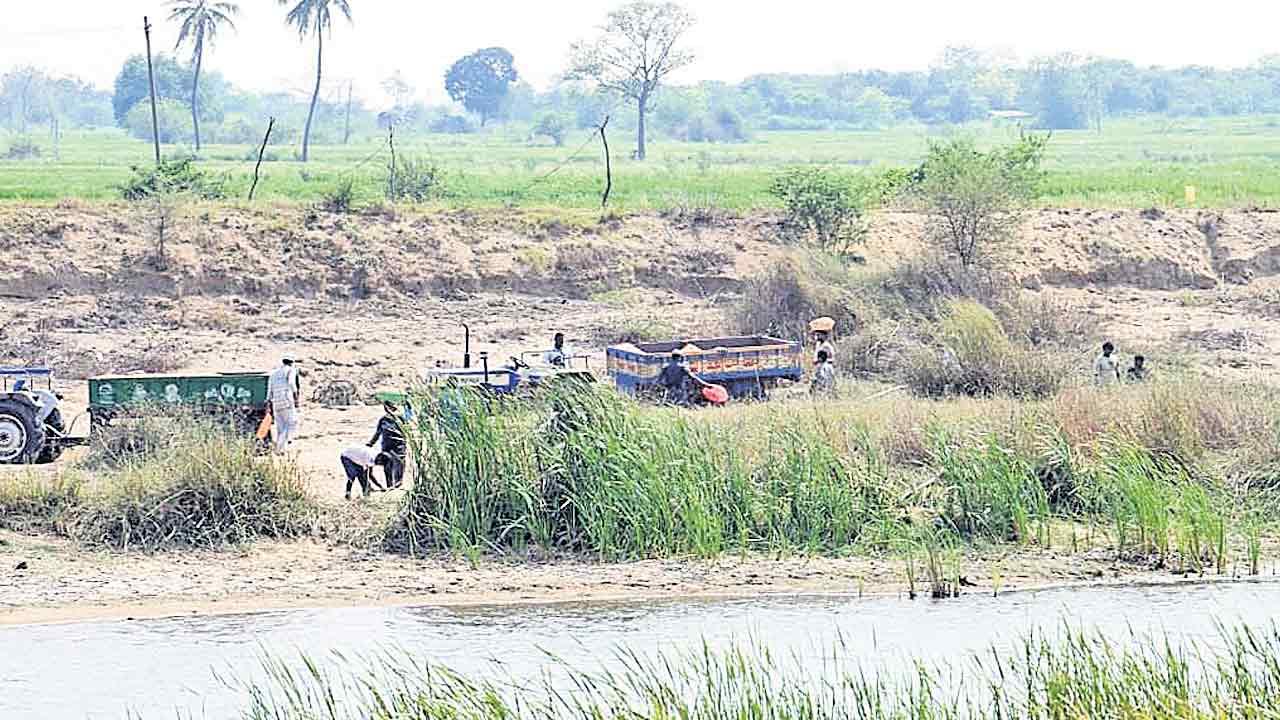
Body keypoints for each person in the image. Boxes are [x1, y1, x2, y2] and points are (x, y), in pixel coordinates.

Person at [369, 401, 407, 489]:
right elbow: (378, 433)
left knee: (399, 464)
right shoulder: (383, 420)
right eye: (387, 408)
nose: (389, 410)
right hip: (387, 446)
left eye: (390, 407)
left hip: (399, 445)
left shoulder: (400, 419)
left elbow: (406, 432)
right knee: (387, 465)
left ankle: (398, 484)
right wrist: (370, 443)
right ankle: (389, 486)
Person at [268, 358, 302, 453]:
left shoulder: (273, 373)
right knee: (292, 423)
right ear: (291, 363)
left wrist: (268, 402)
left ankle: (281, 449)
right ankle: (281, 445)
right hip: (286, 400)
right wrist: (296, 398)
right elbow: (292, 384)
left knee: (280, 427)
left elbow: (270, 389)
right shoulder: (291, 370)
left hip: (276, 402)